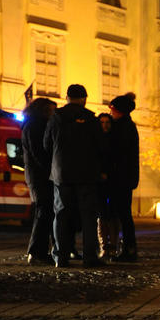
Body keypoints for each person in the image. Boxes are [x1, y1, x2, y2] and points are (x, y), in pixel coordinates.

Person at [43, 84, 106, 268]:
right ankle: (89, 257)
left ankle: (60, 257)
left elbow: (46, 144)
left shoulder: (56, 118)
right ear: (84, 98)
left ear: (67, 97)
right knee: (88, 217)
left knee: (61, 215)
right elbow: (102, 147)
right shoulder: (91, 119)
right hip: (87, 175)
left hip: (61, 174)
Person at [22, 97, 57, 265]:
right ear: (41, 110)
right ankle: (36, 252)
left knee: (44, 213)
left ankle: (39, 251)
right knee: (43, 213)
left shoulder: (37, 124)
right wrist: (51, 169)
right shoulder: (34, 126)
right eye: (49, 111)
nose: (52, 114)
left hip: (41, 175)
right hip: (39, 177)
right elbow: (38, 153)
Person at [107, 93, 139, 261]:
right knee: (123, 214)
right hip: (124, 178)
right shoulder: (126, 125)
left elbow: (119, 154)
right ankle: (127, 248)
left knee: (123, 214)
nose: (111, 112)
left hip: (121, 179)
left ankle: (129, 249)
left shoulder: (123, 127)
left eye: (112, 109)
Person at [96, 113, 117, 259]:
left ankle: (114, 246)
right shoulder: (94, 139)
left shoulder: (115, 139)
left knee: (113, 214)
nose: (105, 125)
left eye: (107, 122)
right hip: (98, 181)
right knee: (102, 215)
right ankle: (103, 246)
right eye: (102, 122)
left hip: (114, 181)